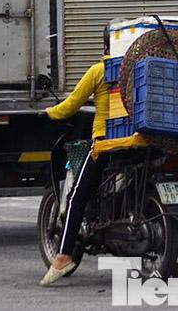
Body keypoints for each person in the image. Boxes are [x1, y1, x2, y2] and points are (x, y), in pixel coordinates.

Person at [39, 26, 111, 286]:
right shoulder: (139, 71)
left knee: (76, 196)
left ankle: (63, 257)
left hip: (106, 143)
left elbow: (71, 104)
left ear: (106, 44)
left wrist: (49, 113)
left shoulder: (100, 71)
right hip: (139, 143)